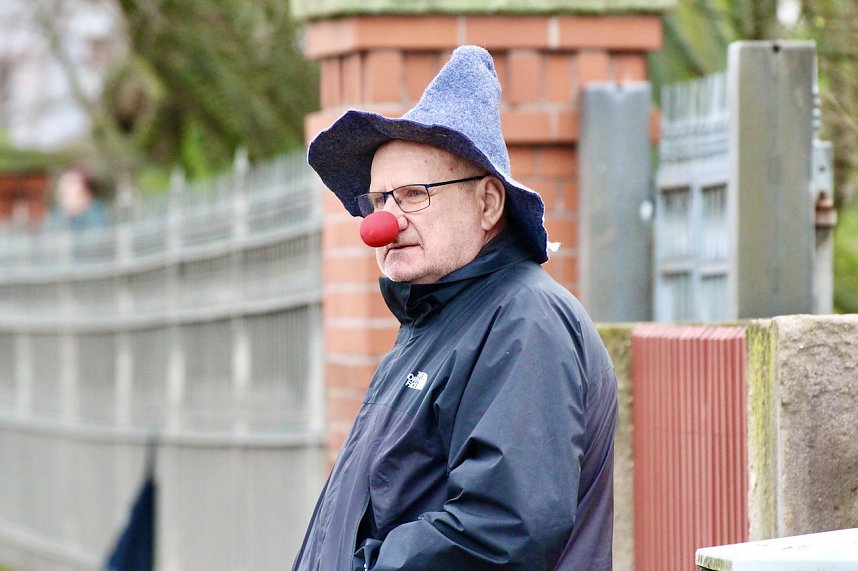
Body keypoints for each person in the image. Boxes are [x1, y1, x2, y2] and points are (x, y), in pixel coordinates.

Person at [294, 46, 618, 571]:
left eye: (413, 195)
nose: (387, 222)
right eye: (378, 201)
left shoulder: (523, 322)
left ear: (488, 204)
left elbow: (502, 532)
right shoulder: (437, 324)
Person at [49, 166, 110, 230]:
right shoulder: (56, 216)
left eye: (71, 183)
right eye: (62, 184)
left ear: (87, 190)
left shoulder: (98, 217)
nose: (63, 189)